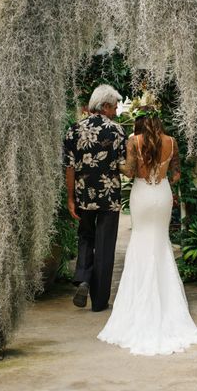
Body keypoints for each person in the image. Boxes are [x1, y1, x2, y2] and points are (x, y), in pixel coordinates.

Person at [97, 105, 197, 355]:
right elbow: (176, 175)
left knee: (140, 240)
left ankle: (139, 303)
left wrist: (116, 163)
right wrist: (161, 173)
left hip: (142, 194)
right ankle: (167, 303)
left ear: (140, 121)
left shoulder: (134, 141)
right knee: (160, 242)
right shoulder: (172, 142)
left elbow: (131, 171)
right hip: (162, 194)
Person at [64, 84, 126, 312]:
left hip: (83, 195)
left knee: (86, 238)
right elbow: (122, 165)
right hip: (109, 197)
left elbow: (69, 168)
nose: (116, 111)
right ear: (106, 106)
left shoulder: (73, 129)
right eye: (115, 106)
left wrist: (71, 198)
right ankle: (99, 302)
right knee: (105, 245)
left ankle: (83, 278)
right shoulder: (117, 130)